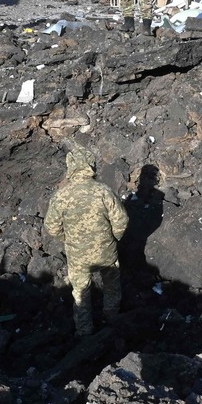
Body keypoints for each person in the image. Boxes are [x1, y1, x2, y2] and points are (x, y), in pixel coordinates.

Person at [44, 144, 129, 336]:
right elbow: (121, 220)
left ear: (71, 168)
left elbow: (51, 227)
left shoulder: (61, 196)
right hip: (105, 251)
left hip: (77, 255)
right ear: (91, 165)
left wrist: (68, 239)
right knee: (112, 284)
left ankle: (84, 331)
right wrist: (113, 238)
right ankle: (112, 318)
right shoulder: (103, 191)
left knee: (81, 292)